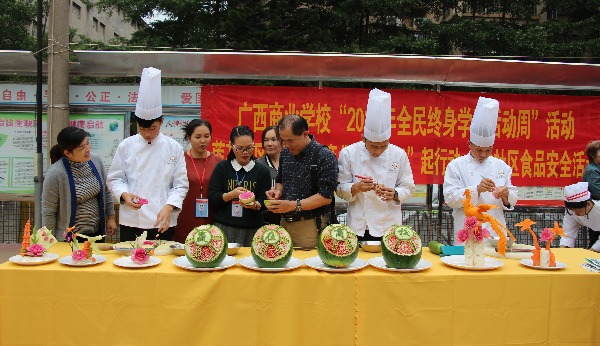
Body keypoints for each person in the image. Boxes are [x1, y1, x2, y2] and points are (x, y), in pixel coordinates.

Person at [107, 67, 189, 241]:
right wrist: (124, 194)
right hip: (131, 219)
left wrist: (169, 206)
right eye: (142, 128)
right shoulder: (126, 146)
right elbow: (115, 179)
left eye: (152, 128)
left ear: (161, 121)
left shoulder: (174, 147)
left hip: (163, 217)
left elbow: (180, 184)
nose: (147, 134)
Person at [337, 89, 415, 241]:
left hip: (389, 225)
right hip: (359, 225)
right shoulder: (348, 153)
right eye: (373, 146)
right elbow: (339, 188)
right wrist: (356, 187)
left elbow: (409, 187)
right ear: (363, 139)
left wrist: (395, 194)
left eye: (383, 146)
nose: (377, 151)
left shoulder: (399, 154)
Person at [443, 96, 518, 243]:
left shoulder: (501, 166)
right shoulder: (456, 166)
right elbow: (451, 198)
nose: (483, 155)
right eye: (479, 150)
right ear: (469, 144)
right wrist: (476, 190)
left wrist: (505, 195)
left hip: (495, 229)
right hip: (468, 230)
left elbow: (512, 199)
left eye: (488, 150)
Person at [265, 114, 338, 248]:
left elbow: (326, 197)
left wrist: (293, 205)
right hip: (284, 222)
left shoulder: (324, 156)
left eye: (290, 140)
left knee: (307, 265)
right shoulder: (286, 154)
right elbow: (280, 179)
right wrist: (278, 192)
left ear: (305, 134)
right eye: (283, 140)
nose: (287, 145)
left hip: (310, 226)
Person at [42, 126, 117, 240]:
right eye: (82, 147)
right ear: (68, 153)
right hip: (71, 238)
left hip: (97, 234)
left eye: (87, 143)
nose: (87, 149)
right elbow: (48, 211)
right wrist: (49, 241)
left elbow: (105, 191)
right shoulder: (55, 174)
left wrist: (111, 217)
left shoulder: (96, 161)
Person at [208, 125, 272, 246]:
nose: (245, 152)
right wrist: (230, 195)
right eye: (240, 148)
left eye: (249, 148)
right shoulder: (222, 167)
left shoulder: (262, 171)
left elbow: (265, 202)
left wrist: (255, 205)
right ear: (232, 147)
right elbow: (212, 196)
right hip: (224, 227)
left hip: (252, 229)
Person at [173, 119, 222, 243]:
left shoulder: (218, 161)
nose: (203, 141)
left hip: (211, 219)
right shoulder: (180, 160)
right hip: (183, 217)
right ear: (189, 138)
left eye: (207, 136)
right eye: (197, 137)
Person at [560, 182, 600, 252]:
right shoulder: (570, 212)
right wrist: (563, 252)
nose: (576, 214)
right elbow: (568, 234)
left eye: (579, 211)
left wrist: (590, 253)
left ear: (589, 204)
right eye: (573, 211)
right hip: (594, 231)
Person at [256, 125, 283, 225]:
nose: (269, 144)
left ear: (282, 141)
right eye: (266, 140)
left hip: (287, 215)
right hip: (265, 216)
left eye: (273, 139)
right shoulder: (257, 165)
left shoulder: (290, 163)